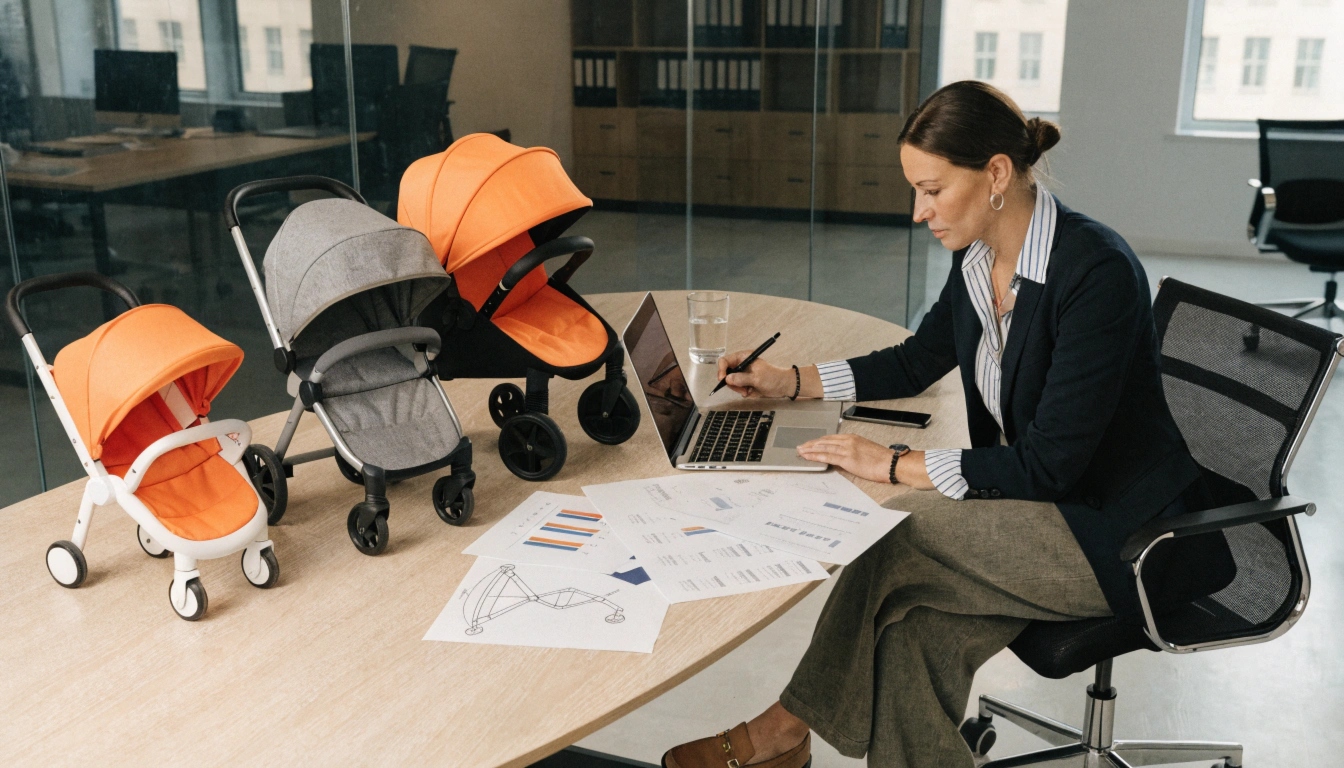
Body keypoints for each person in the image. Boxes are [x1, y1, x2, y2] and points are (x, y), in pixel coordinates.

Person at [661, 80, 1232, 768]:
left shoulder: (1095, 273)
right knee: (911, 637)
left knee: (896, 528)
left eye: (932, 190)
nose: (918, 212)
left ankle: (781, 731)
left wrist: (894, 463)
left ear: (996, 174)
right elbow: (917, 360)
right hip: (1037, 511)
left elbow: (1050, 464)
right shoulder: (978, 255)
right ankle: (783, 739)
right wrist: (792, 381)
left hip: (1122, 537)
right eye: (916, 191)